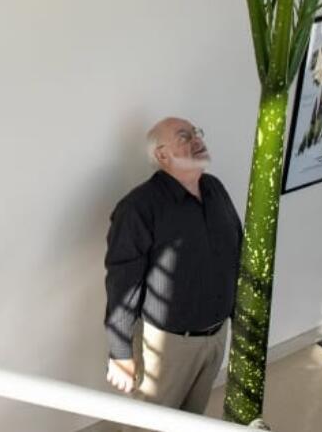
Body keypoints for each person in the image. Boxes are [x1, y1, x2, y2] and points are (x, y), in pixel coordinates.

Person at [103, 117, 243, 417]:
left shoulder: (215, 189)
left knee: (192, 419)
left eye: (197, 132)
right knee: (150, 424)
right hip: (168, 346)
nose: (196, 139)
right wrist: (121, 352)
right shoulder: (139, 207)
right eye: (184, 136)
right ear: (162, 155)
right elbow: (122, 283)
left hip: (217, 335)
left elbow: (236, 251)